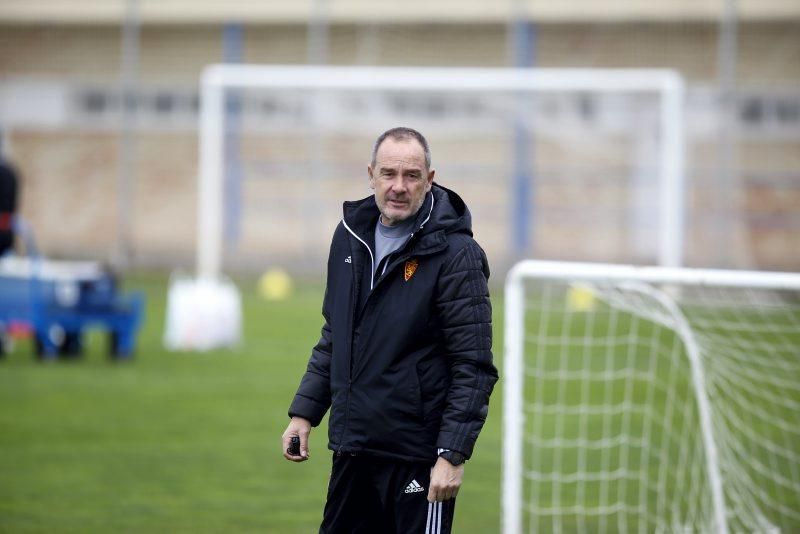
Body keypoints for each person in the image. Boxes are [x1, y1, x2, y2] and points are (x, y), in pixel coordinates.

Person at [281, 127, 498, 533]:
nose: (399, 186)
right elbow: (336, 334)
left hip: (418, 458)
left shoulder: (457, 255)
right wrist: (304, 413)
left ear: (430, 179)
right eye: (389, 174)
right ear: (371, 174)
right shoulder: (348, 238)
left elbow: (473, 366)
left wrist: (451, 454)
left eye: (412, 175)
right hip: (354, 448)